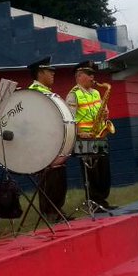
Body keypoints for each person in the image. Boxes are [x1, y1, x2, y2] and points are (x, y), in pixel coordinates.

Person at [66, 60, 112, 210]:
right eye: (89, 74)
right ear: (79, 76)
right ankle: (94, 202)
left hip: (99, 135)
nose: (93, 78)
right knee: (91, 173)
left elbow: (103, 110)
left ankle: (103, 201)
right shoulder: (74, 94)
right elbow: (69, 119)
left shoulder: (97, 92)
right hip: (84, 138)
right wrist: (79, 132)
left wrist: (105, 114)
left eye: (93, 75)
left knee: (104, 171)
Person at [28, 56, 67, 217]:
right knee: (48, 178)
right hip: (43, 141)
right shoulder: (34, 92)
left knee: (58, 176)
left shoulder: (47, 92)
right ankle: (49, 211)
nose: (53, 74)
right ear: (40, 73)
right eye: (49, 71)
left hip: (54, 139)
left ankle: (57, 209)